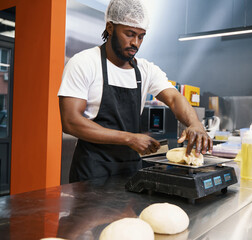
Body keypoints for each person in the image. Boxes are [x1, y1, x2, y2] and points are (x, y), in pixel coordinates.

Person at [58, 0, 212, 183]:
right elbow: (70, 122)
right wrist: (129, 138)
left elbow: (173, 97)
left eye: (141, 36)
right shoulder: (84, 63)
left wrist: (195, 124)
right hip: (92, 169)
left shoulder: (145, 70)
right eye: (129, 34)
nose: (135, 43)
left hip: (130, 168)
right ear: (110, 27)